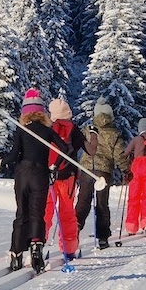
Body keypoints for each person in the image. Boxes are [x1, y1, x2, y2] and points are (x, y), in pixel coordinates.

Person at [2, 88, 70, 273]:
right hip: (40, 173)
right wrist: (54, 166)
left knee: (21, 213)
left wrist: (1, 161)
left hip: (23, 173)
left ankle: (16, 254)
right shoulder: (47, 131)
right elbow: (65, 148)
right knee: (37, 213)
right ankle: (36, 249)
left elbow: (14, 154)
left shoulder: (22, 130)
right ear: (42, 112)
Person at [43, 98, 98, 260]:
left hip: (49, 176)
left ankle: (38, 244)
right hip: (69, 177)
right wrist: (94, 134)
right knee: (67, 214)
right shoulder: (73, 129)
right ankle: (69, 249)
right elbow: (91, 151)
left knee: (45, 212)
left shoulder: (48, 129)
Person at [75, 97, 130, 250]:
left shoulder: (88, 129)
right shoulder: (115, 133)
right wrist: (125, 169)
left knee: (83, 201)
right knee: (101, 204)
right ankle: (103, 238)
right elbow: (119, 155)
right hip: (103, 171)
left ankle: (73, 230)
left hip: (87, 169)